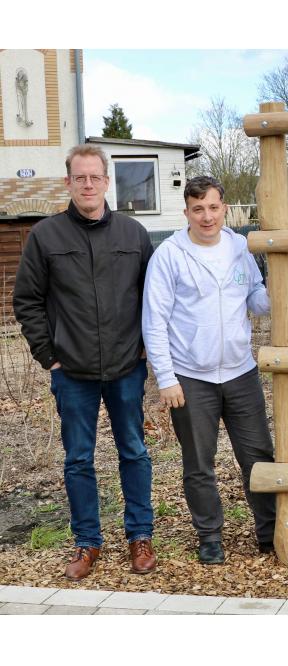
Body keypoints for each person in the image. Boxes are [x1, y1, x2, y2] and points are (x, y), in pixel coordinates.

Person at [13, 145, 156, 580]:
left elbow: (155, 298)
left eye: (95, 177)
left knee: (133, 451)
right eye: (80, 178)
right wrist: (48, 356)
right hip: (71, 372)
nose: (88, 185)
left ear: (107, 182)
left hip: (125, 368)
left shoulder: (133, 235)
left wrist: (148, 348)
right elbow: (27, 300)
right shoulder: (46, 236)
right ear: (68, 182)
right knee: (78, 459)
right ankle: (87, 542)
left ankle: (140, 537)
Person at [142, 175, 276, 565]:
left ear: (225, 209)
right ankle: (210, 536)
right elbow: (154, 321)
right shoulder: (169, 255)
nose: (207, 216)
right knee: (199, 462)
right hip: (191, 377)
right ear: (186, 212)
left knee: (258, 456)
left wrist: (278, 292)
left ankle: (269, 532)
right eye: (198, 209)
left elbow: (255, 296)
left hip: (240, 371)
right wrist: (166, 378)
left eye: (214, 208)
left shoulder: (239, 247)